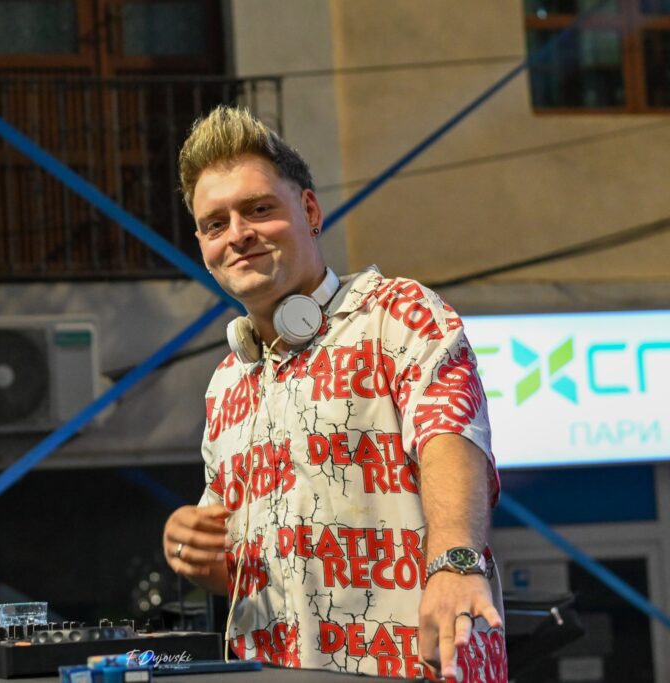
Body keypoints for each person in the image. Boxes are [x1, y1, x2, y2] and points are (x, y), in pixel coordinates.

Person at [162, 106, 507, 681]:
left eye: (259, 209)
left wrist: (455, 561)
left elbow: (450, 436)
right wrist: (192, 551)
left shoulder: (397, 313)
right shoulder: (227, 382)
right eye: (215, 224)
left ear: (310, 211)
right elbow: (242, 569)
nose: (238, 234)